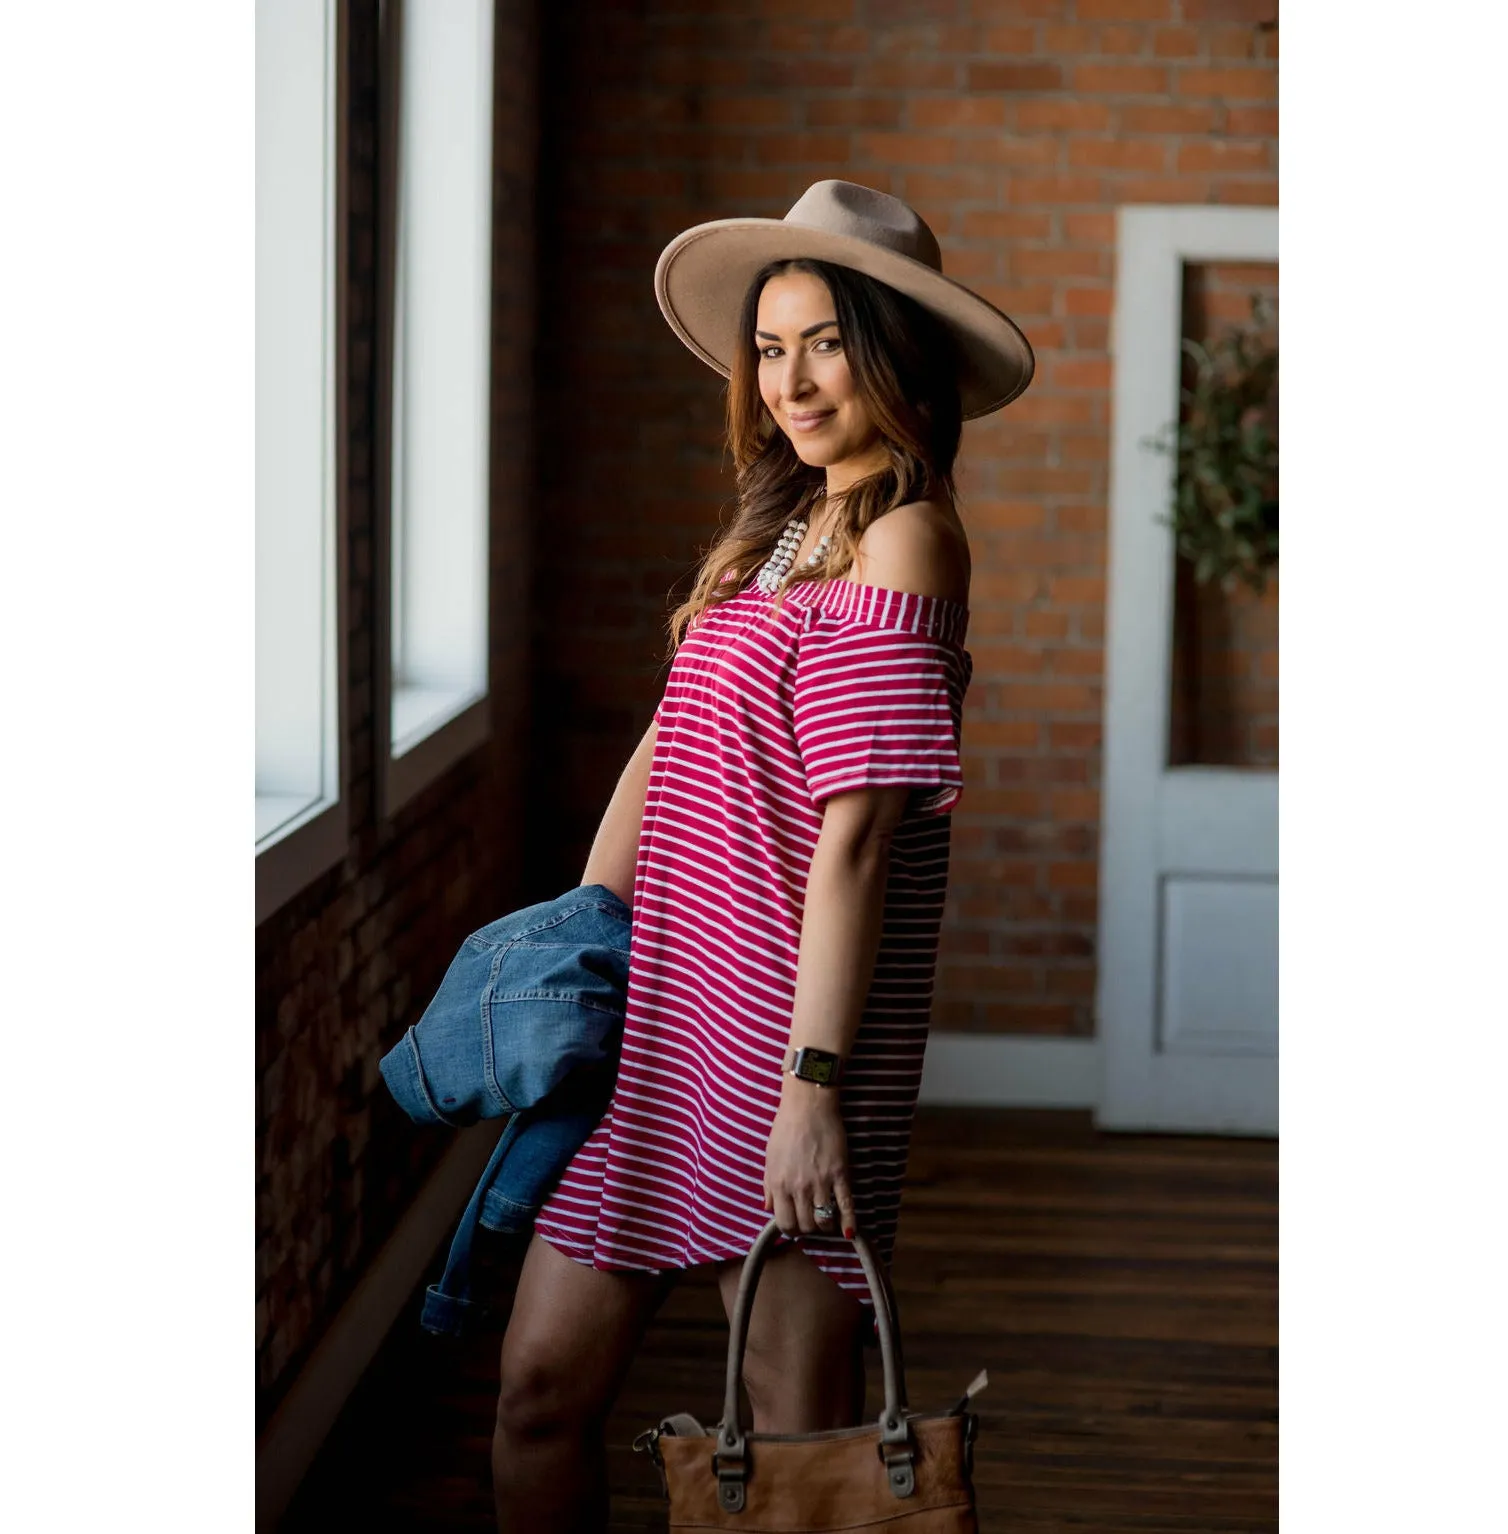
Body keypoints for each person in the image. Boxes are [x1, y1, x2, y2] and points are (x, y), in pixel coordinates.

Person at [490, 180, 1034, 1532]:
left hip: (776, 1035)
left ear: (894, 354)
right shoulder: (781, 532)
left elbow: (854, 843)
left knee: (796, 1459)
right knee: (538, 1395)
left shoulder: (905, 539)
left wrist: (813, 1088)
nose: (789, 379)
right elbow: (665, 748)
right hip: (662, 1018)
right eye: (770, 346)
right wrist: (582, 933)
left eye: (825, 344)